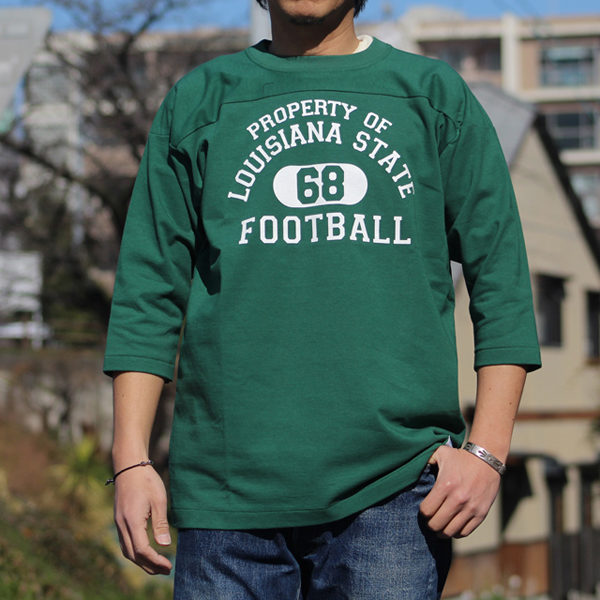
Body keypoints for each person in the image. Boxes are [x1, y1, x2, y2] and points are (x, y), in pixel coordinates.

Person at [103, 0, 541, 598]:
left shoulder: (432, 95)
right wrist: (130, 459)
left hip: (394, 490)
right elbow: (147, 292)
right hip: (226, 498)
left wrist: (487, 453)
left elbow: (502, 281)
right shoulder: (200, 100)